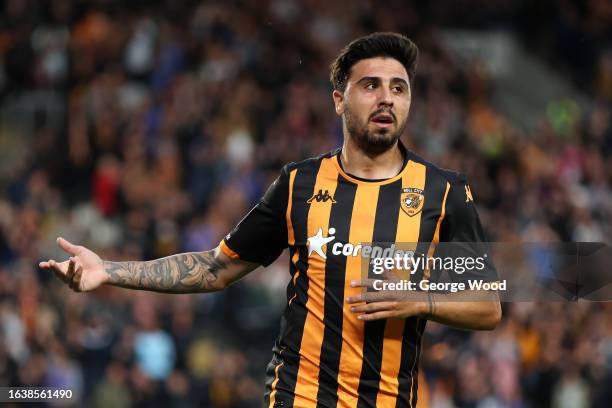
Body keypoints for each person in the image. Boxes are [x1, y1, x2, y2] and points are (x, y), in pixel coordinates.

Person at [41, 32, 501, 408]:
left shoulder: (444, 191)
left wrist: (420, 300)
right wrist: (109, 271)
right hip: (298, 396)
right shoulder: (299, 183)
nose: (386, 98)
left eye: (398, 88)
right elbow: (216, 267)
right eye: (371, 85)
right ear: (339, 100)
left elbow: (488, 306)